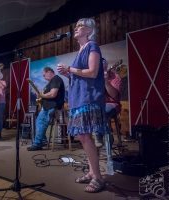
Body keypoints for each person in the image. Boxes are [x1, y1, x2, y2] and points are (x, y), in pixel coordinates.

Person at [57, 18, 106, 193]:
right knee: (82, 137)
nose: (76, 28)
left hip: (88, 98)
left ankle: (98, 178)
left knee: (85, 136)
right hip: (77, 98)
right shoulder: (80, 51)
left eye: (80, 26)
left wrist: (69, 69)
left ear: (89, 30)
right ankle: (93, 172)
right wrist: (68, 73)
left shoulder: (93, 46)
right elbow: (79, 75)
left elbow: (92, 73)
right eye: (76, 25)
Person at [27, 67, 65, 151]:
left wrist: (42, 96)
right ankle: (43, 141)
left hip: (52, 107)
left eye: (44, 75)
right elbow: (48, 95)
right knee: (38, 122)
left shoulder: (56, 79)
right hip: (48, 106)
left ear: (49, 72)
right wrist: (41, 98)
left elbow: (53, 94)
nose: (44, 77)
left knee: (40, 122)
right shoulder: (51, 82)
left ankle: (37, 144)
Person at [95, 58, 122, 147]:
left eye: (103, 68)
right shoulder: (96, 78)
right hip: (100, 104)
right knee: (90, 110)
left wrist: (106, 82)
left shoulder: (115, 77)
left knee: (101, 111)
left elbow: (114, 95)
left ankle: (100, 136)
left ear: (106, 67)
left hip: (113, 104)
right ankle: (107, 134)